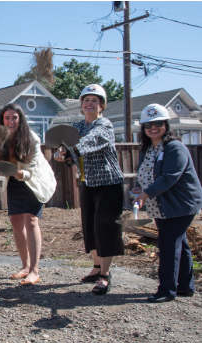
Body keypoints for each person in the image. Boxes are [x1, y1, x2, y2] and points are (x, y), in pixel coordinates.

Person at [55, 84, 124, 295]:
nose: (90, 104)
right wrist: (61, 154)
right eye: (86, 100)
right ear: (81, 105)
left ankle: (105, 274)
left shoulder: (105, 125)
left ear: (102, 106)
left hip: (109, 184)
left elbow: (88, 142)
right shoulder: (77, 126)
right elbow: (68, 147)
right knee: (90, 227)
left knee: (105, 227)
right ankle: (96, 268)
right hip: (87, 182)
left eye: (95, 101)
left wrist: (70, 150)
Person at [132, 104, 202, 303]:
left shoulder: (174, 147)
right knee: (180, 244)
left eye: (158, 123)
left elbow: (169, 177)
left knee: (168, 244)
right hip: (162, 206)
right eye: (148, 124)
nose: (153, 127)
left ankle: (166, 290)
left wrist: (145, 195)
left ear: (166, 125)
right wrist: (139, 187)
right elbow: (145, 173)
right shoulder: (147, 149)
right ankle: (186, 287)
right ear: (143, 128)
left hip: (181, 205)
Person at [0, 103, 56, 286]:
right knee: (15, 222)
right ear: (2, 120)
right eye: (7, 118)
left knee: (31, 220)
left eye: (14, 117)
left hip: (33, 182)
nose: (11, 121)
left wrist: (13, 171)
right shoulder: (1, 136)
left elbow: (30, 172)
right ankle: (25, 266)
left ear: (20, 119)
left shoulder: (32, 139)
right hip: (14, 181)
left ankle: (35, 271)